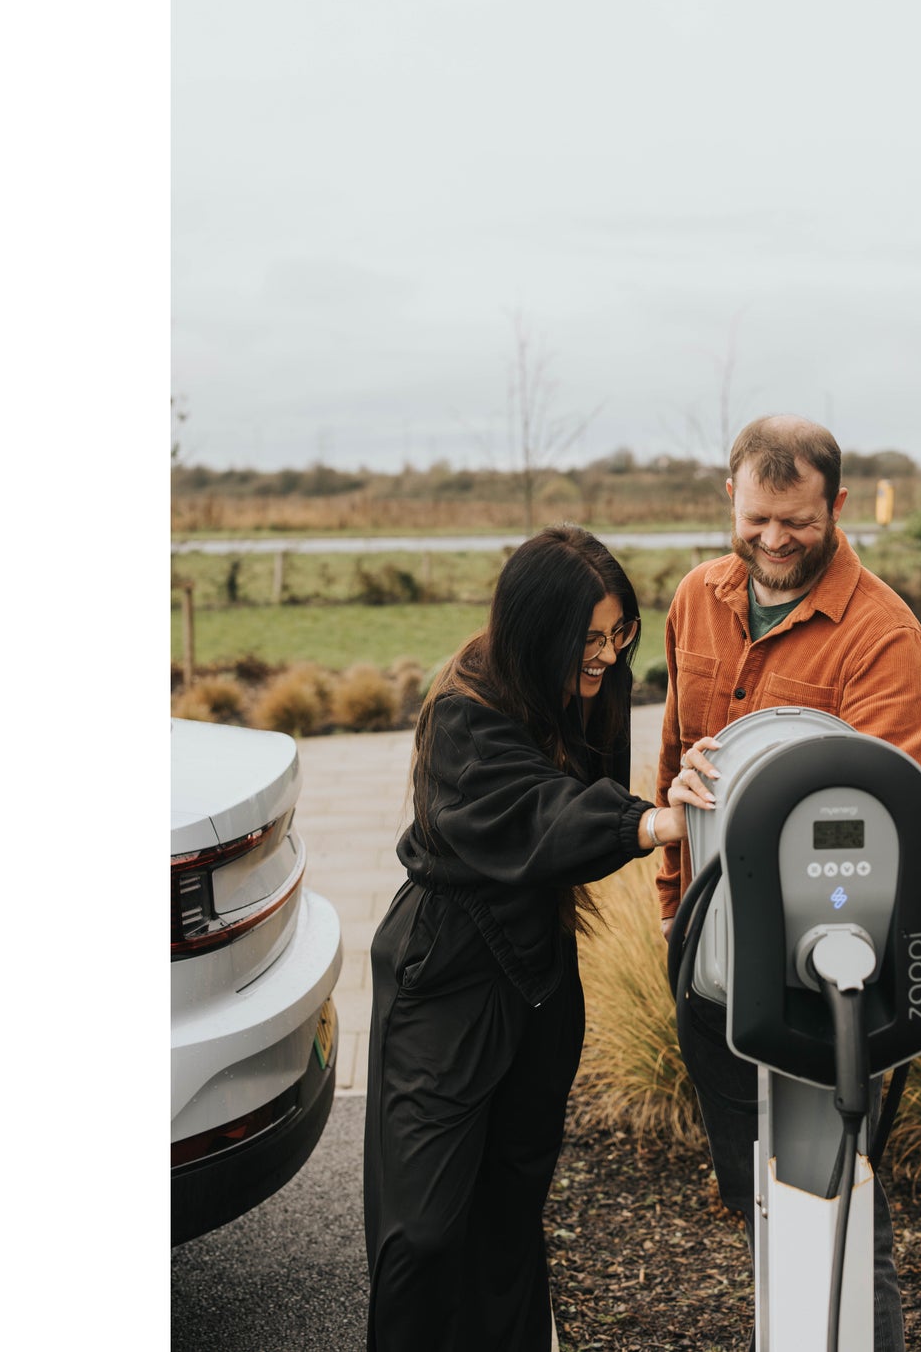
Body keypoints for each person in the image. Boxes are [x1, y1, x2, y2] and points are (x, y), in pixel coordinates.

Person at [364, 523, 717, 1352]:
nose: (604, 655)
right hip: (446, 970)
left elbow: (580, 812)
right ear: (535, 631)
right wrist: (650, 820)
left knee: (511, 1212)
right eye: (588, 638)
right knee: (421, 1231)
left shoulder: (583, 685)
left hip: (540, 975)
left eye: (616, 632)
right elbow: (538, 812)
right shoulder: (462, 712)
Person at [656, 415, 921, 1352]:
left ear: (837, 507)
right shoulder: (697, 597)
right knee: (756, 1192)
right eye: (756, 519)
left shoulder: (880, 637)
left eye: (797, 522)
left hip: (821, 979)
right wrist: (675, 916)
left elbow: (881, 831)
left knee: (838, 1193)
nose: (774, 541)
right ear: (728, 502)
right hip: (712, 964)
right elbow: (675, 770)